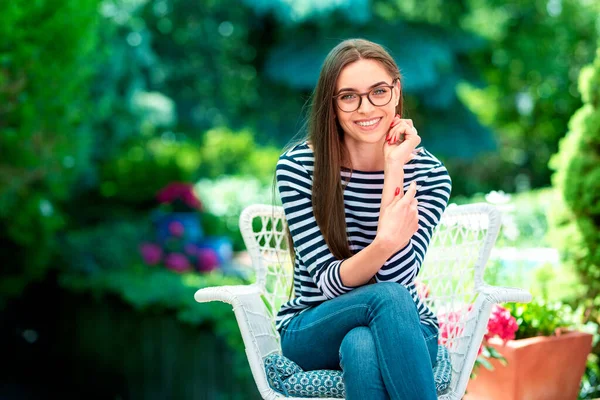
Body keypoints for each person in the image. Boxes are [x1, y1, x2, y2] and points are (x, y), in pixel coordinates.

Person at [274, 38, 452, 399]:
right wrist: (385, 241)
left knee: (362, 344)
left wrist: (394, 169)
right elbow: (329, 284)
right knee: (384, 299)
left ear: (397, 92)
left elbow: (397, 279)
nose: (366, 107)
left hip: (406, 327)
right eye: (349, 96)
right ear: (333, 104)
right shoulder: (299, 168)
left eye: (379, 92)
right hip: (314, 326)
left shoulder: (431, 175)